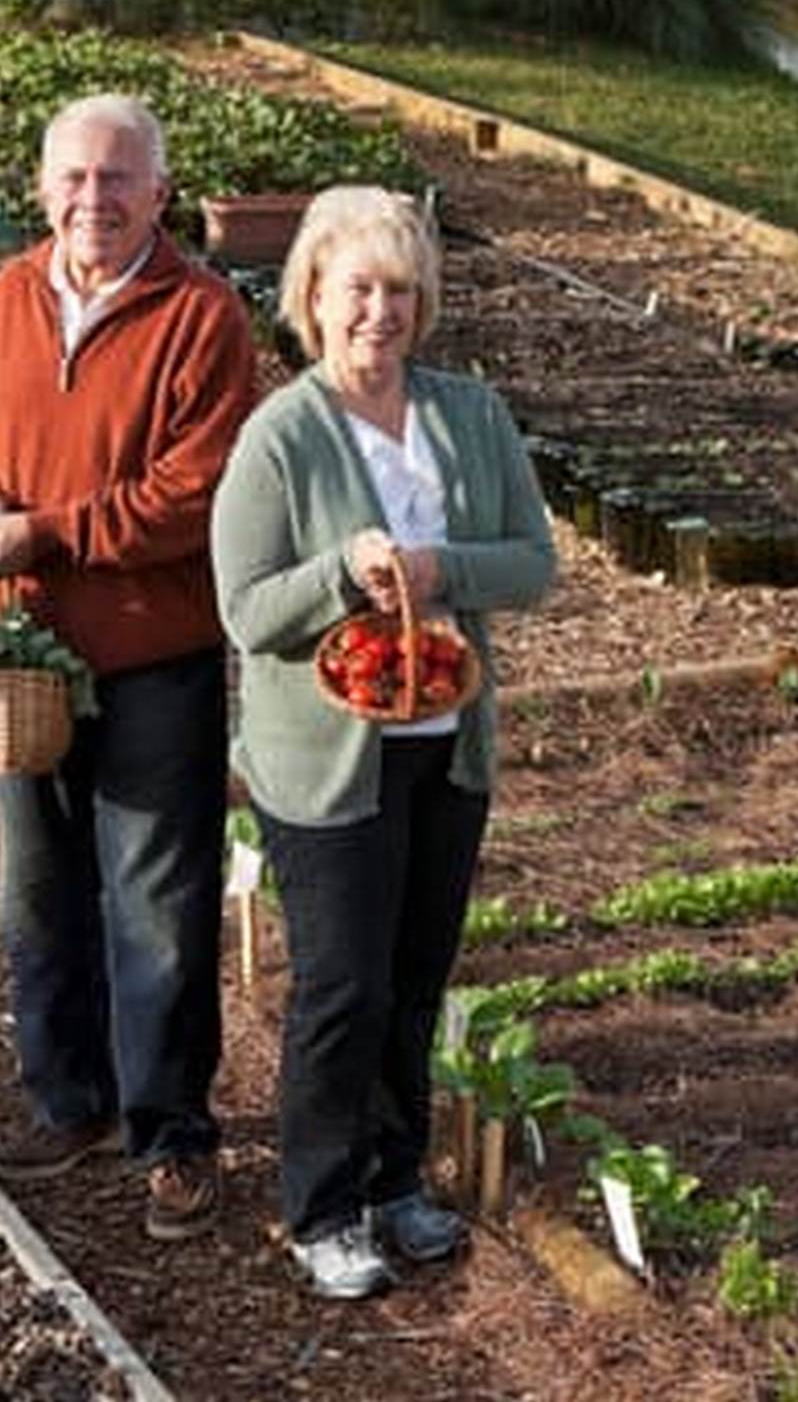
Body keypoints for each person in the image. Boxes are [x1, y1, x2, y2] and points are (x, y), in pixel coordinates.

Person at [210, 185, 555, 1299]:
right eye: (357, 287)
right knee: (341, 987)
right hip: (324, 758)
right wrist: (339, 576)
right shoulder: (281, 435)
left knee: (414, 976)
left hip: (444, 743)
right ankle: (321, 1206)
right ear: (313, 296)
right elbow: (248, 611)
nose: (379, 311)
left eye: (400, 289)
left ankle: (398, 1178)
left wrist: (439, 568)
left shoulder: (470, 413)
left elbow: (533, 563)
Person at [0, 94, 256, 1240]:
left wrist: (42, 533)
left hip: (157, 655)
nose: (91, 201)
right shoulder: (3, 299)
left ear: (159, 191)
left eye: (117, 180)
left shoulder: (203, 318)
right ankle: (69, 1103)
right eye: (72, 178)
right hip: (24, 661)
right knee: (35, 892)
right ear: (39, 187)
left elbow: (191, 498)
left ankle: (173, 1134)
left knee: (157, 901)